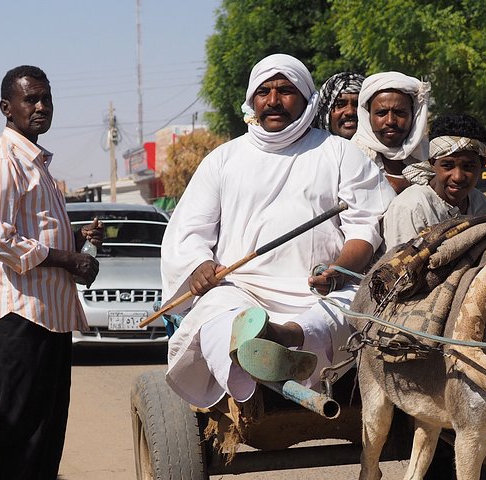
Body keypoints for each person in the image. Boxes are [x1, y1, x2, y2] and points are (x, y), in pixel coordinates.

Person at [160, 53, 390, 410]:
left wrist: (339, 272)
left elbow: (365, 228)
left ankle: (282, 337)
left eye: (285, 90)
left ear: (306, 98)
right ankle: (255, 355)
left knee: (350, 310)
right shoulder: (223, 159)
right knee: (219, 315)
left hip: (321, 290)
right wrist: (199, 267)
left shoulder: (340, 154)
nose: (273, 101)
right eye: (264, 91)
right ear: (251, 100)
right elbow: (189, 231)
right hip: (241, 289)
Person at [0, 64, 103, 480]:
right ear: (7, 107)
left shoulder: (39, 166)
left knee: (47, 426)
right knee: (16, 427)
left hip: (49, 313)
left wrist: (77, 244)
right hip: (15, 316)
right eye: (30, 100)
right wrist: (69, 258)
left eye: (46, 98)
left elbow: (38, 238)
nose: (41, 107)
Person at [383, 113, 486, 245]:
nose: (457, 177)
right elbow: (399, 263)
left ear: (482, 165)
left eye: (468, 166)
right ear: (432, 163)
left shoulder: (479, 202)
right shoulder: (411, 207)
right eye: (447, 165)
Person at [352, 72, 430, 194]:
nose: (390, 121)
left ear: (413, 115)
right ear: (368, 115)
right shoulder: (353, 157)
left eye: (399, 112)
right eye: (381, 113)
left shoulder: (429, 157)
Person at [313, 71, 364, 140]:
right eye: (341, 105)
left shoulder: (381, 148)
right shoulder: (310, 148)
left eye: (357, 105)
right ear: (326, 112)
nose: (350, 112)